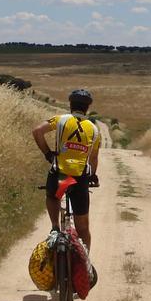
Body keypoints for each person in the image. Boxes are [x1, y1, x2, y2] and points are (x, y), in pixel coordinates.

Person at [31, 89, 101, 252]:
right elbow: (94, 158)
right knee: (83, 229)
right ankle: (86, 265)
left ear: (71, 105)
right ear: (87, 108)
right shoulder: (94, 129)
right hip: (80, 178)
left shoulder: (61, 120)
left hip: (61, 175)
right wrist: (92, 175)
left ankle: (55, 226)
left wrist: (48, 154)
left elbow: (37, 131)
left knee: (53, 196)